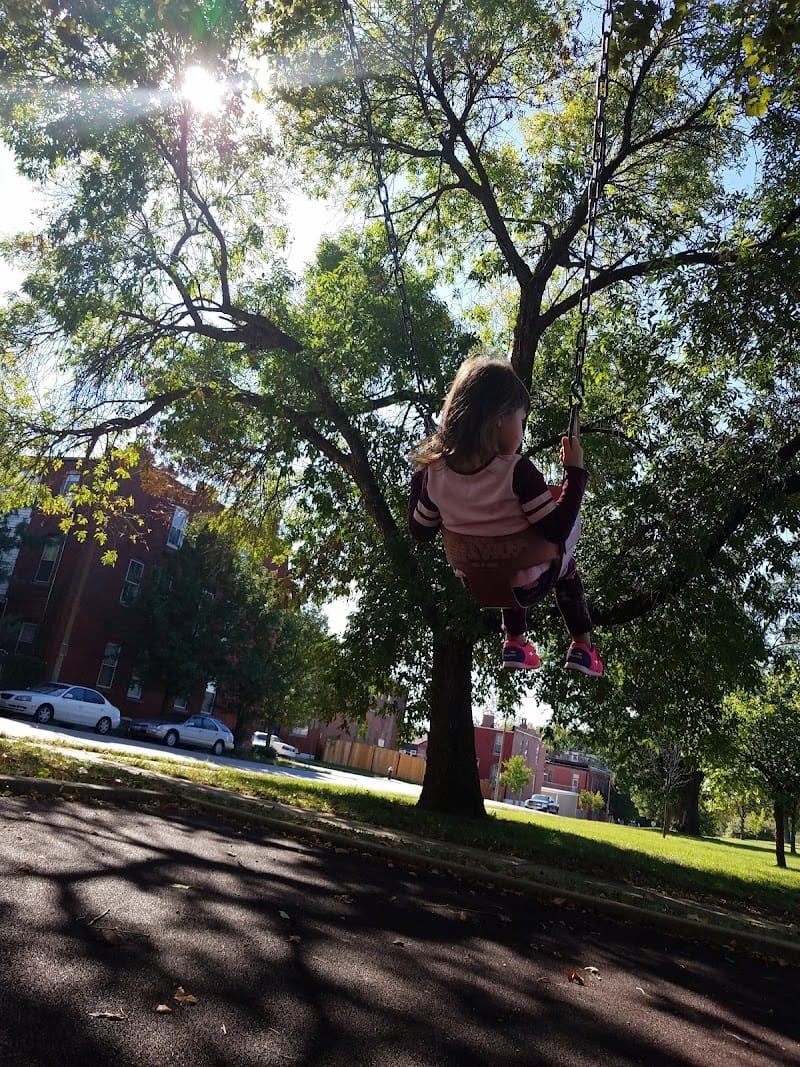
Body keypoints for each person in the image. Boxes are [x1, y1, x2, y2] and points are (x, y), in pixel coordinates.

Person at [407, 355, 603, 676]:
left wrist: (421, 473)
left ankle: (515, 641)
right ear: (499, 419)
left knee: (505, 551)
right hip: (534, 581)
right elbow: (556, 530)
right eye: (521, 421)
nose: (522, 432)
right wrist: (574, 473)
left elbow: (420, 530)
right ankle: (582, 646)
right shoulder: (517, 472)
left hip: (480, 583)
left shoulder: (436, 475)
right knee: (564, 565)